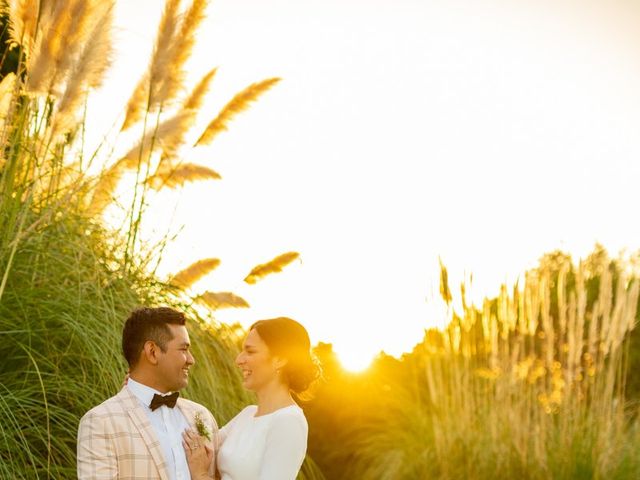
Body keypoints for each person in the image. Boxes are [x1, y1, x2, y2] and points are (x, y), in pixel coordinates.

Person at [77, 307, 218, 480]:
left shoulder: (202, 416)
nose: (191, 359)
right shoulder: (101, 422)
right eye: (183, 349)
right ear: (152, 352)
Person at [182, 317, 320, 480]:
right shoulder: (247, 415)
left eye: (251, 351)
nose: (239, 360)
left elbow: (200, 464)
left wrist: (200, 475)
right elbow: (204, 448)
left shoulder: (289, 421)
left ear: (280, 360)